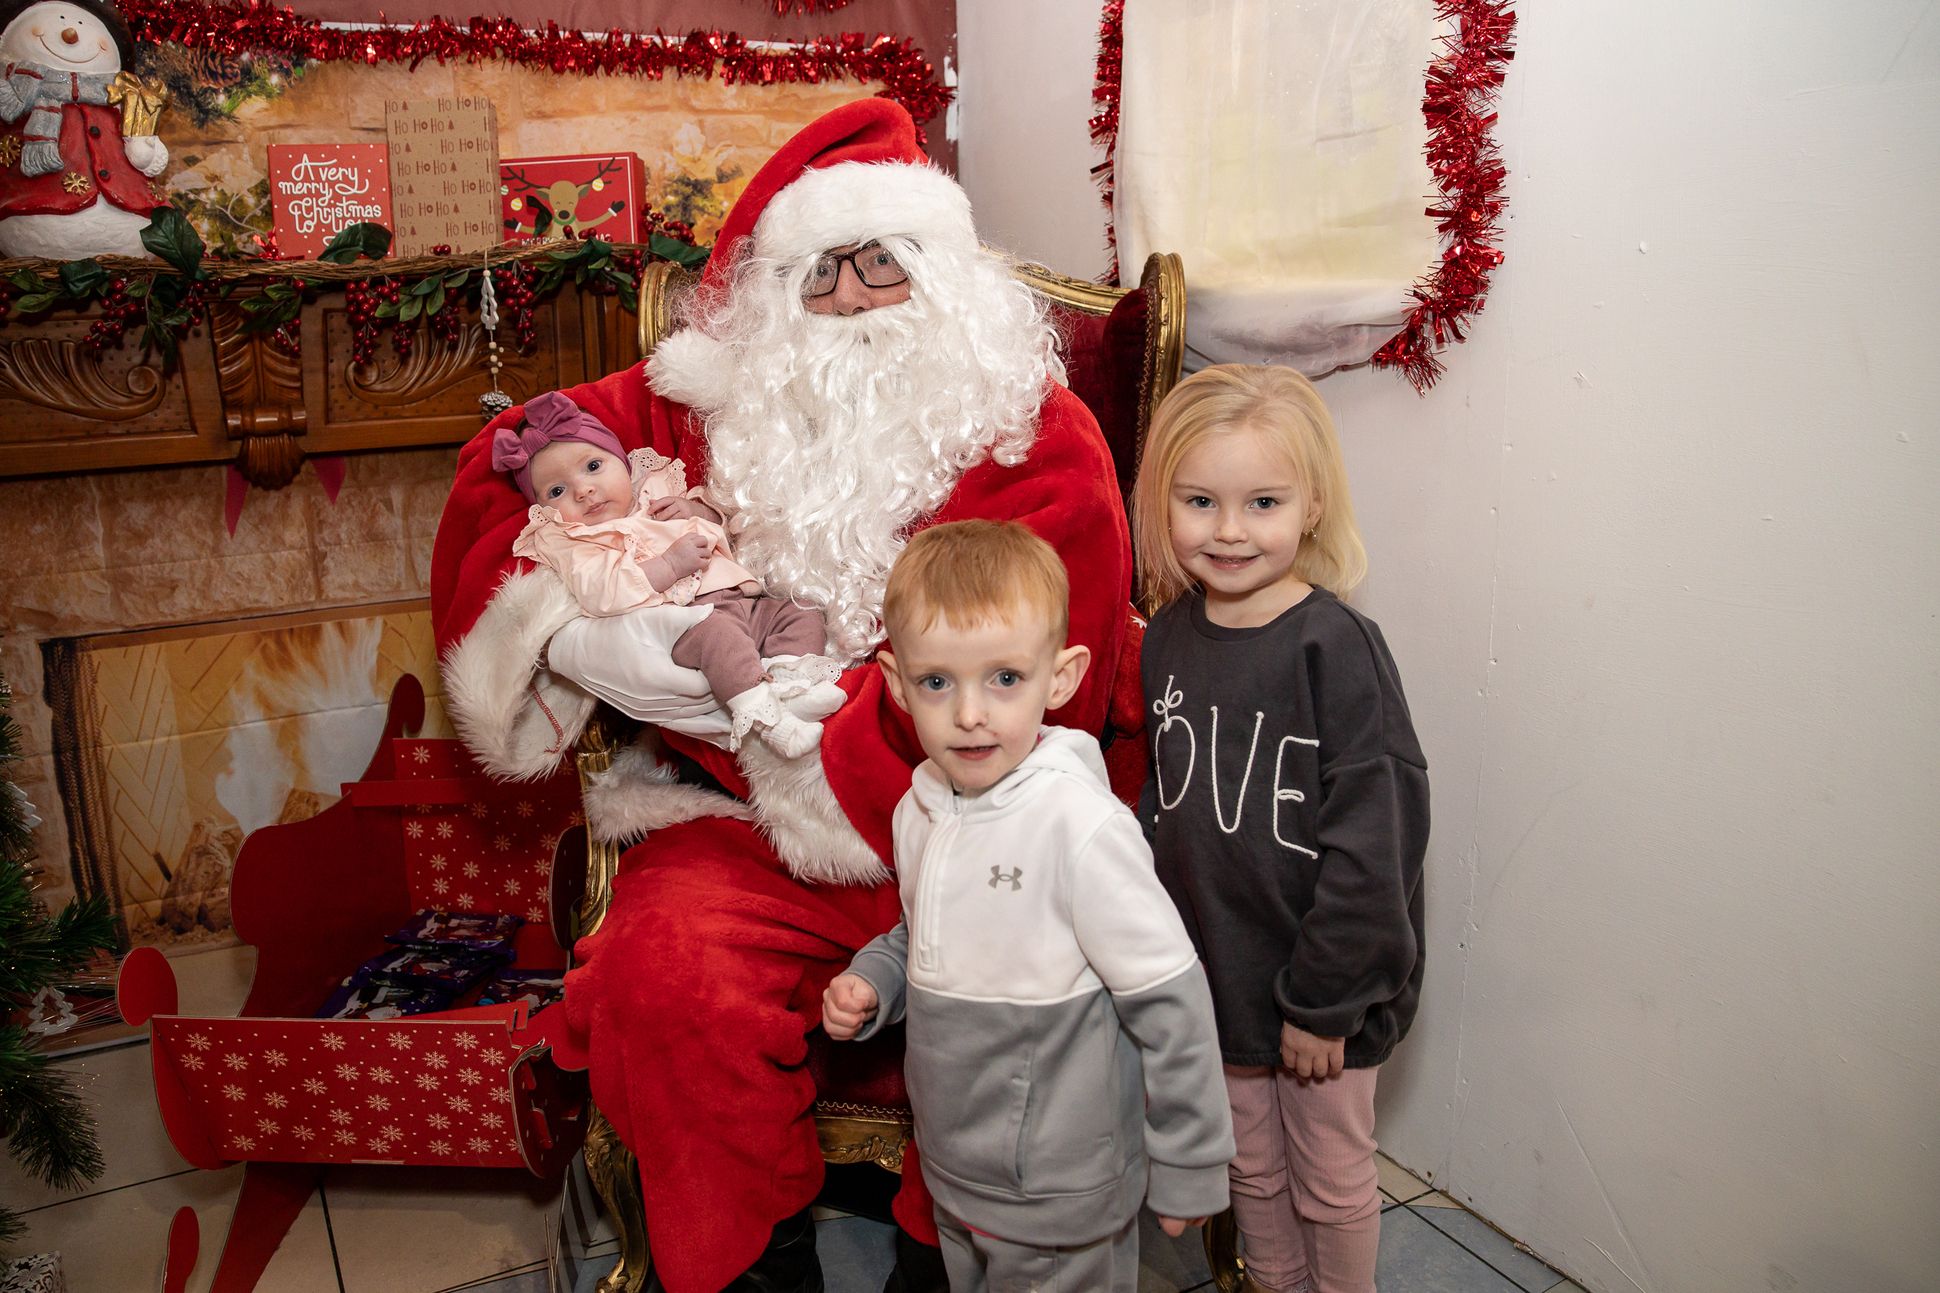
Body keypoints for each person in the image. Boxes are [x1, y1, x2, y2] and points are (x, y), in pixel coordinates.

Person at [431, 99, 1136, 1293]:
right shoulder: (713, 402)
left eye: (884, 267)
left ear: (948, 283)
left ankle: (943, 1256)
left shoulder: (1037, 435)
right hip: (743, 837)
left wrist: (774, 722)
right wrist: (598, 631)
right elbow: (509, 457)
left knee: (1019, 996)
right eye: (821, 276)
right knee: (664, 976)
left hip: (975, 827)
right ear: (768, 302)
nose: (855, 302)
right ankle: (746, 1267)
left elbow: (1040, 688)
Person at [820, 520, 1233, 1292]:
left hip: (1060, 1188)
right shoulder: (922, 810)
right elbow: (924, 934)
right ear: (898, 681)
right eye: (938, 681)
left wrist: (1191, 1156)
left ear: (1062, 675)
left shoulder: (1080, 826)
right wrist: (876, 979)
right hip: (957, 1170)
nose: (970, 713)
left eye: (1004, 678)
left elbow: (1170, 997)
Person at [1130, 364, 1430, 1293]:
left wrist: (1322, 1000)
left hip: (1318, 996)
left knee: (1331, 1178)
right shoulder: (1169, 636)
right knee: (1250, 1168)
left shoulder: (1334, 648)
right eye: (1199, 501)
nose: (1228, 529)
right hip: (1221, 978)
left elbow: (1374, 844)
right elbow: (1167, 803)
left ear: (1310, 506)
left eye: (1261, 500)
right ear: (1162, 505)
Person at [492, 389, 831, 758]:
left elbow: (727, 526)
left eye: (593, 467)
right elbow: (602, 592)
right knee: (720, 640)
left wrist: (697, 511)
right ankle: (771, 724)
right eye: (558, 490)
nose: (584, 490)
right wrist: (668, 566)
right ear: (544, 509)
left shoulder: (657, 490)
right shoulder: (577, 541)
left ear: (621, 461)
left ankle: (792, 685)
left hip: (742, 603)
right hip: (686, 625)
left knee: (800, 611)